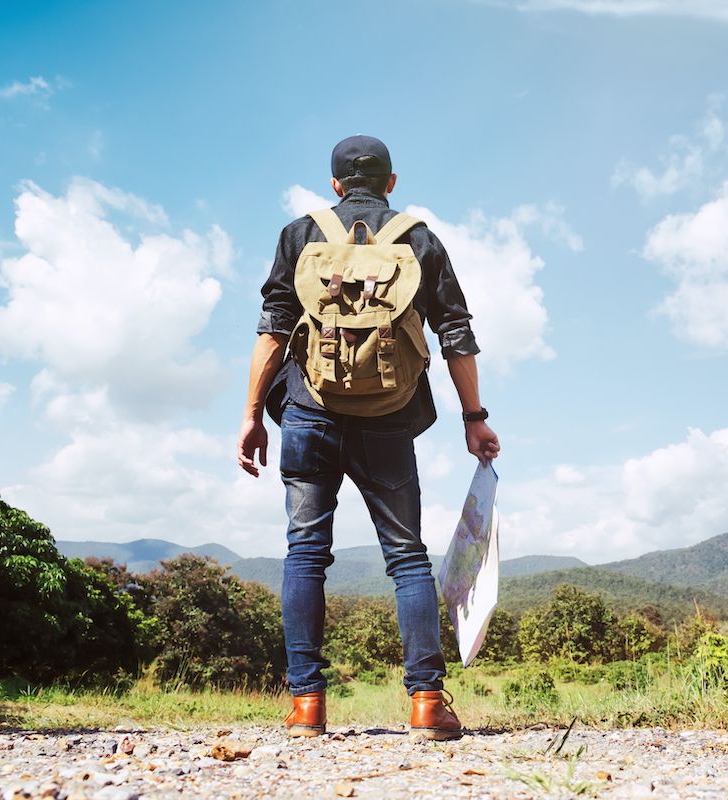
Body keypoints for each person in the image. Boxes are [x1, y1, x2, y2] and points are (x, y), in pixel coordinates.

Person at [237, 135, 500, 741]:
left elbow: (273, 330)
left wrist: (252, 413)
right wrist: (474, 417)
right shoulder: (419, 238)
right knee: (407, 557)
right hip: (389, 418)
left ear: (335, 184)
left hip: (309, 411)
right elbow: (456, 333)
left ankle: (307, 705)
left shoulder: (301, 235)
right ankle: (427, 703)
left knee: (306, 553)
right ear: (391, 182)